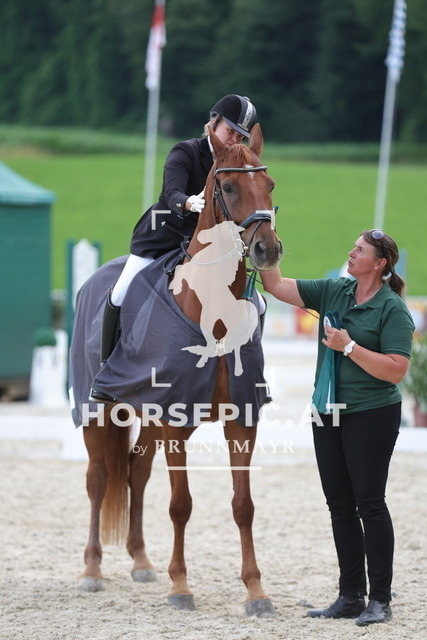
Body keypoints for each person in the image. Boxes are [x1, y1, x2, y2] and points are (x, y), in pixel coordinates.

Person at [261, 229, 415, 626]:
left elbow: (396, 370)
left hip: (372, 413)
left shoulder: (392, 309)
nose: (351, 253)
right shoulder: (335, 290)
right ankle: (350, 596)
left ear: (379, 264)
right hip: (326, 410)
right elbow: (275, 285)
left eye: (360, 250)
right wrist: (265, 241)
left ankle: (379, 600)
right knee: (340, 506)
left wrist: (349, 347)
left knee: (370, 503)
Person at [90, 94, 258, 403]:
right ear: (214, 122)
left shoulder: (237, 164)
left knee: (255, 301)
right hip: (161, 239)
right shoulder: (186, 151)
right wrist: (189, 202)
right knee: (120, 294)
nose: (235, 139)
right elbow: (171, 193)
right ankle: (107, 372)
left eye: (241, 136)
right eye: (231, 131)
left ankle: (249, 375)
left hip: (207, 247)